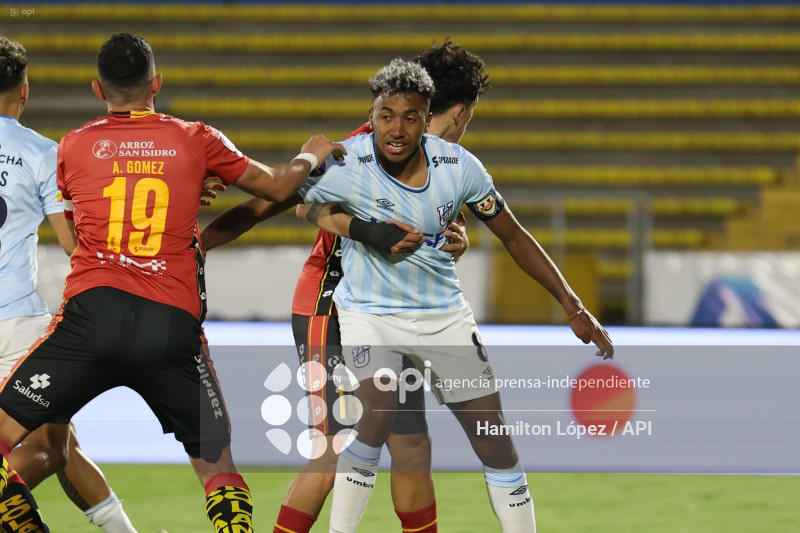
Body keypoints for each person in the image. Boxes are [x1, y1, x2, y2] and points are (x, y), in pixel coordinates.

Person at [0, 32, 345, 532]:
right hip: (170, 325)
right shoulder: (195, 138)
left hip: (90, 319)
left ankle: (20, 521)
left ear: (98, 90)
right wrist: (309, 155)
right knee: (217, 466)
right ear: (156, 83)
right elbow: (276, 185)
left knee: (12, 436)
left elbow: (99, 203)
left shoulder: (72, 146)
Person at [295, 59, 614, 533]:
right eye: (386, 116)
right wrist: (360, 226)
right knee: (375, 416)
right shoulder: (350, 161)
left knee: (494, 442)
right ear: (373, 114)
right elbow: (300, 201)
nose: (397, 129)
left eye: (410, 118)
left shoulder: (460, 167)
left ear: (429, 119)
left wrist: (573, 304)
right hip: (369, 314)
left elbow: (515, 236)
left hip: (443, 318)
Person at [200, 39, 488, 533]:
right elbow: (277, 201)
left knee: (413, 446)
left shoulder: (440, 163)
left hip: (394, 315)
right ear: (460, 114)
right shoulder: (361, 147)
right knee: (333, 453)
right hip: (329, 310)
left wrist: (452, 242)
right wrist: (201, 244)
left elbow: (435, 233)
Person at [0, 35, 144, 532]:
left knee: (65, 443)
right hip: (17, 325)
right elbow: (69, 241)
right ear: (24, 91)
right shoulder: (42, 153)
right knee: (48, 446)